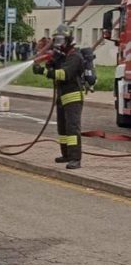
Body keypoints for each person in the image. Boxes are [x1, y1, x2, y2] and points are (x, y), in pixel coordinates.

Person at [32, 25, 84, 169]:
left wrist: (42, 71)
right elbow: (53, 69)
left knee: (72, 129)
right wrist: (49, 63)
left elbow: (64, 74)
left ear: (68, 40)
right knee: (62, 128)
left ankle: (75, 159)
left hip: (73, 97)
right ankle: (66, 154)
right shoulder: (61, 56)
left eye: (61, 40)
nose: (58, 43)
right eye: (56, 39)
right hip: (62, 96)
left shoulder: (75, 56)